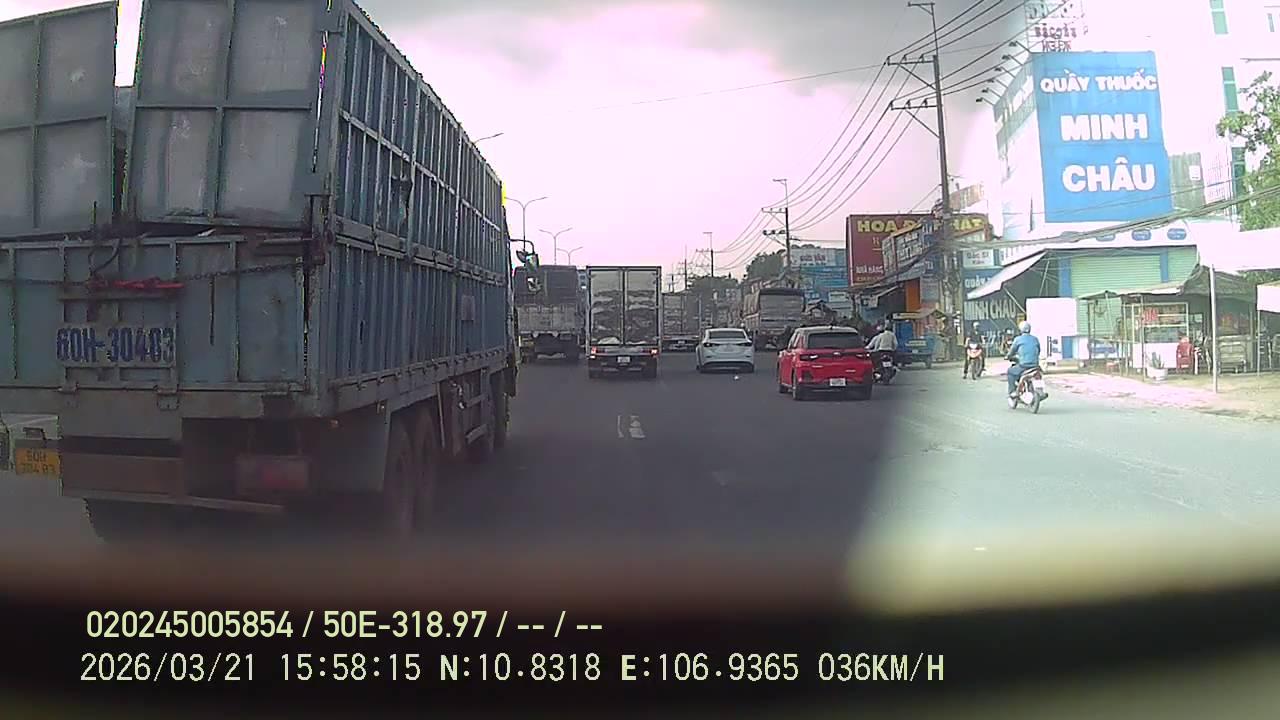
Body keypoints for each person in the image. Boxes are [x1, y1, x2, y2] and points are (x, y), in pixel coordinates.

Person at [1006, 321, 1041, 398]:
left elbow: (1011, 351)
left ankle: (1012, 391)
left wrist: (1008, 356)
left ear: (1020, 330)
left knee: (1010, 371)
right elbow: (1038, 350)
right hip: (1035, 365)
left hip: (1024, 366)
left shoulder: (1018, 339)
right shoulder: (1035, 339)